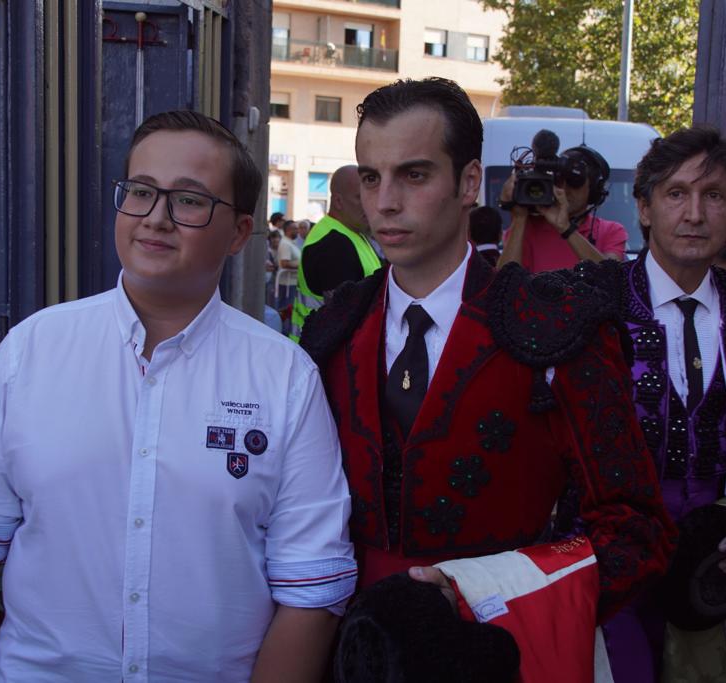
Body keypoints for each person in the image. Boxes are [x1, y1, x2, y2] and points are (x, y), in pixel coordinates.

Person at [0, 110, 356, 682]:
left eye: (190, 200)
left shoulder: (285, 378)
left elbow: (309, 590)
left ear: (240, 233)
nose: (156, 218)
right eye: (141, 191)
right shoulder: (33, 352)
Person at [300, 78, 675, 679]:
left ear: (469, 182)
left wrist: (489, 592)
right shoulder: (332, 331)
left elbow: (636, 530)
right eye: (372, 178)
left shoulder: (553, 325)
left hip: (503, 652)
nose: (385, 202)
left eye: (414, 175)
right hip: (348, 652)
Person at [574, 125, 726, 682]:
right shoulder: (590, 304)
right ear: (645, 208)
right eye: (676, 194)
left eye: (714, 196)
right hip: (607, 572)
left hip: (713, 568)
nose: (695, 214)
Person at [497, 143, 627, 272]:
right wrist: (519, 219)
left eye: (574, 182)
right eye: (559, 180)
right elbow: (503, 283)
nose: (564, 189)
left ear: (594, 190)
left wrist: (566, 229)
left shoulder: (611, 231)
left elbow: (611, 277)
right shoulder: (527, 228)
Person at [290, 165, 381, 342]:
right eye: (360, 197)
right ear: (338, 202)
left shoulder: (350, 233)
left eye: (372, 196)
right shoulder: (334, 245)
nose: (371, 205)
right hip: (324, 361)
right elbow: (343, 322)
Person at [275, 219, 302, 334]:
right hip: (287, 284)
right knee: (285, 312)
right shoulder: (285, 244)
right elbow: (284, 263)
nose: (298, 231)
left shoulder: (291, 242)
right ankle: (283, 333)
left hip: (292, 282)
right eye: (295, 228)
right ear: (288, 230)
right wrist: (301, 265)